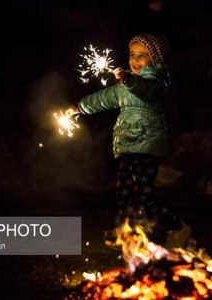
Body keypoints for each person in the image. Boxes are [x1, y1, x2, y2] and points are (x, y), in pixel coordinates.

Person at [71, 33, 182, 243]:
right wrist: (79, 108)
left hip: (148, 145)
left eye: (143, 55)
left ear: (155, 59)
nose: (136, 60)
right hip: (126, 146)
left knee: (143, 193)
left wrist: (129, 79)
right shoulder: (124, 85)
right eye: (132, 54)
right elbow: (103, 98)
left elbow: (146, 90)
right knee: (123, 191)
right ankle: (126, 233)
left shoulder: (157, 81)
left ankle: (175, 227)